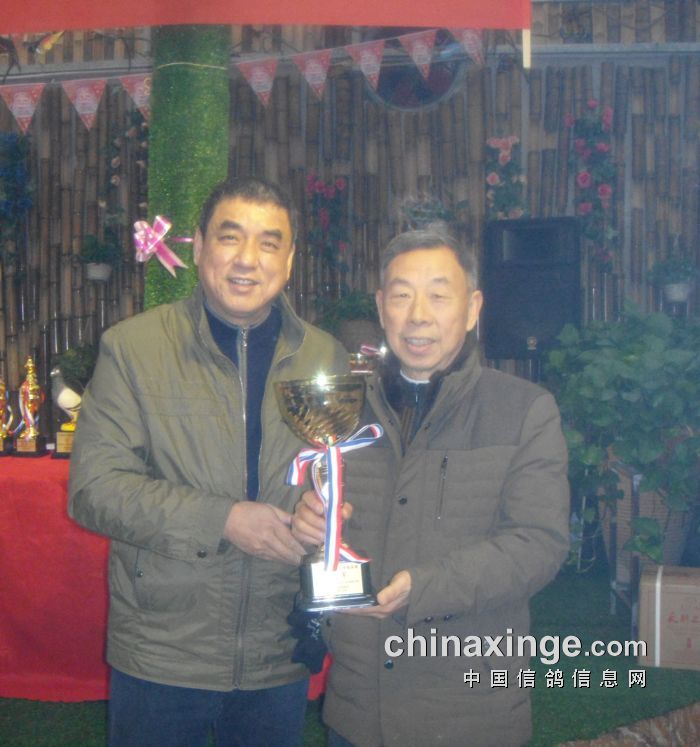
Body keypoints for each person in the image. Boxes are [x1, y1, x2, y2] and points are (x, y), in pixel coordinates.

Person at [68, 177, 349, 747]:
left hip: (278, 644)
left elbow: (338, 471)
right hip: (164, 649)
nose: (248, 259)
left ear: (289, 260)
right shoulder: (135, 348)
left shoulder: (324, 356)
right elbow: (94, 488)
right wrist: (222, 519)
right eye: (230, 237)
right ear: (199, 247)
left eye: (269, 243)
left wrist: (325, 515)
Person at [292, 228, 570, 747]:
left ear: (472, 308)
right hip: (358, 709)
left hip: (469, 713)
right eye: (402, 295)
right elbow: (323, 532)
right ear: (381, 308)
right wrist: (309, 525)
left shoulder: (523, 410)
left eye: (439, 296)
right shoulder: (345, 414)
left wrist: (422, 588)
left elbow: (539, 544)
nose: (418, 315)